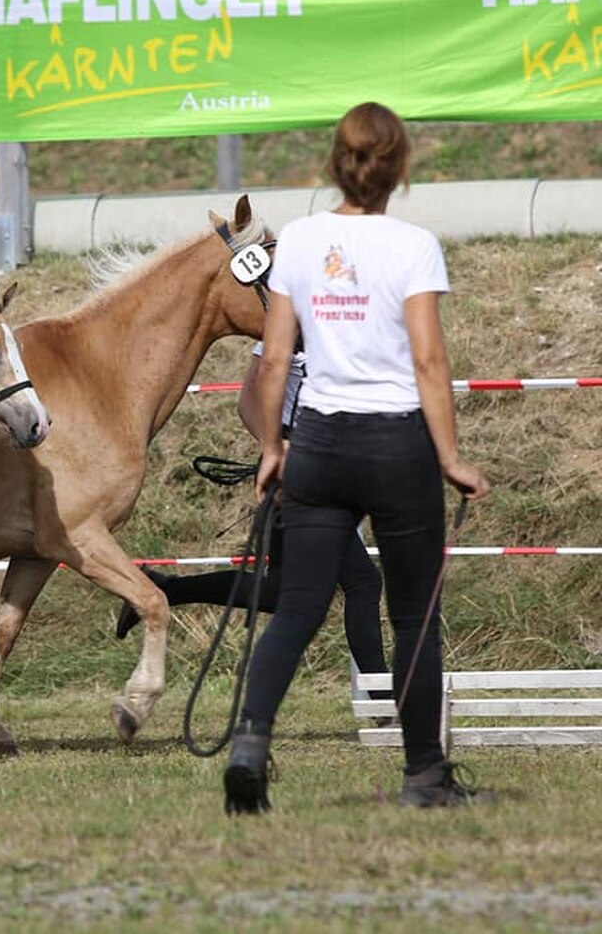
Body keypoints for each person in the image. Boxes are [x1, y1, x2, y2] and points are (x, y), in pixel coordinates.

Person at [221, 102, 492, 814]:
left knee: (297, 609)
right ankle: (425, 776)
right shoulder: (413, 245)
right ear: (398, 167)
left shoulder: (302, 243)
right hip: (397, 444)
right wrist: (452, 456)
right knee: (412, 618)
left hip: (320, 443)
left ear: (335, 163)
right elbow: (429, 361)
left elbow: (276, 357)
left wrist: (273, 449)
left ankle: (250, 742)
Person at [114, 345, 391, 706]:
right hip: (299, 468)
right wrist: (277, 449)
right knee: (363, 582)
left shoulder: (343, 326)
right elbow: (247, 402)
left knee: (277, 591)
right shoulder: (288, 324)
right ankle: (384, 702)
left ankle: (167, 589)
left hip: (327, 462)